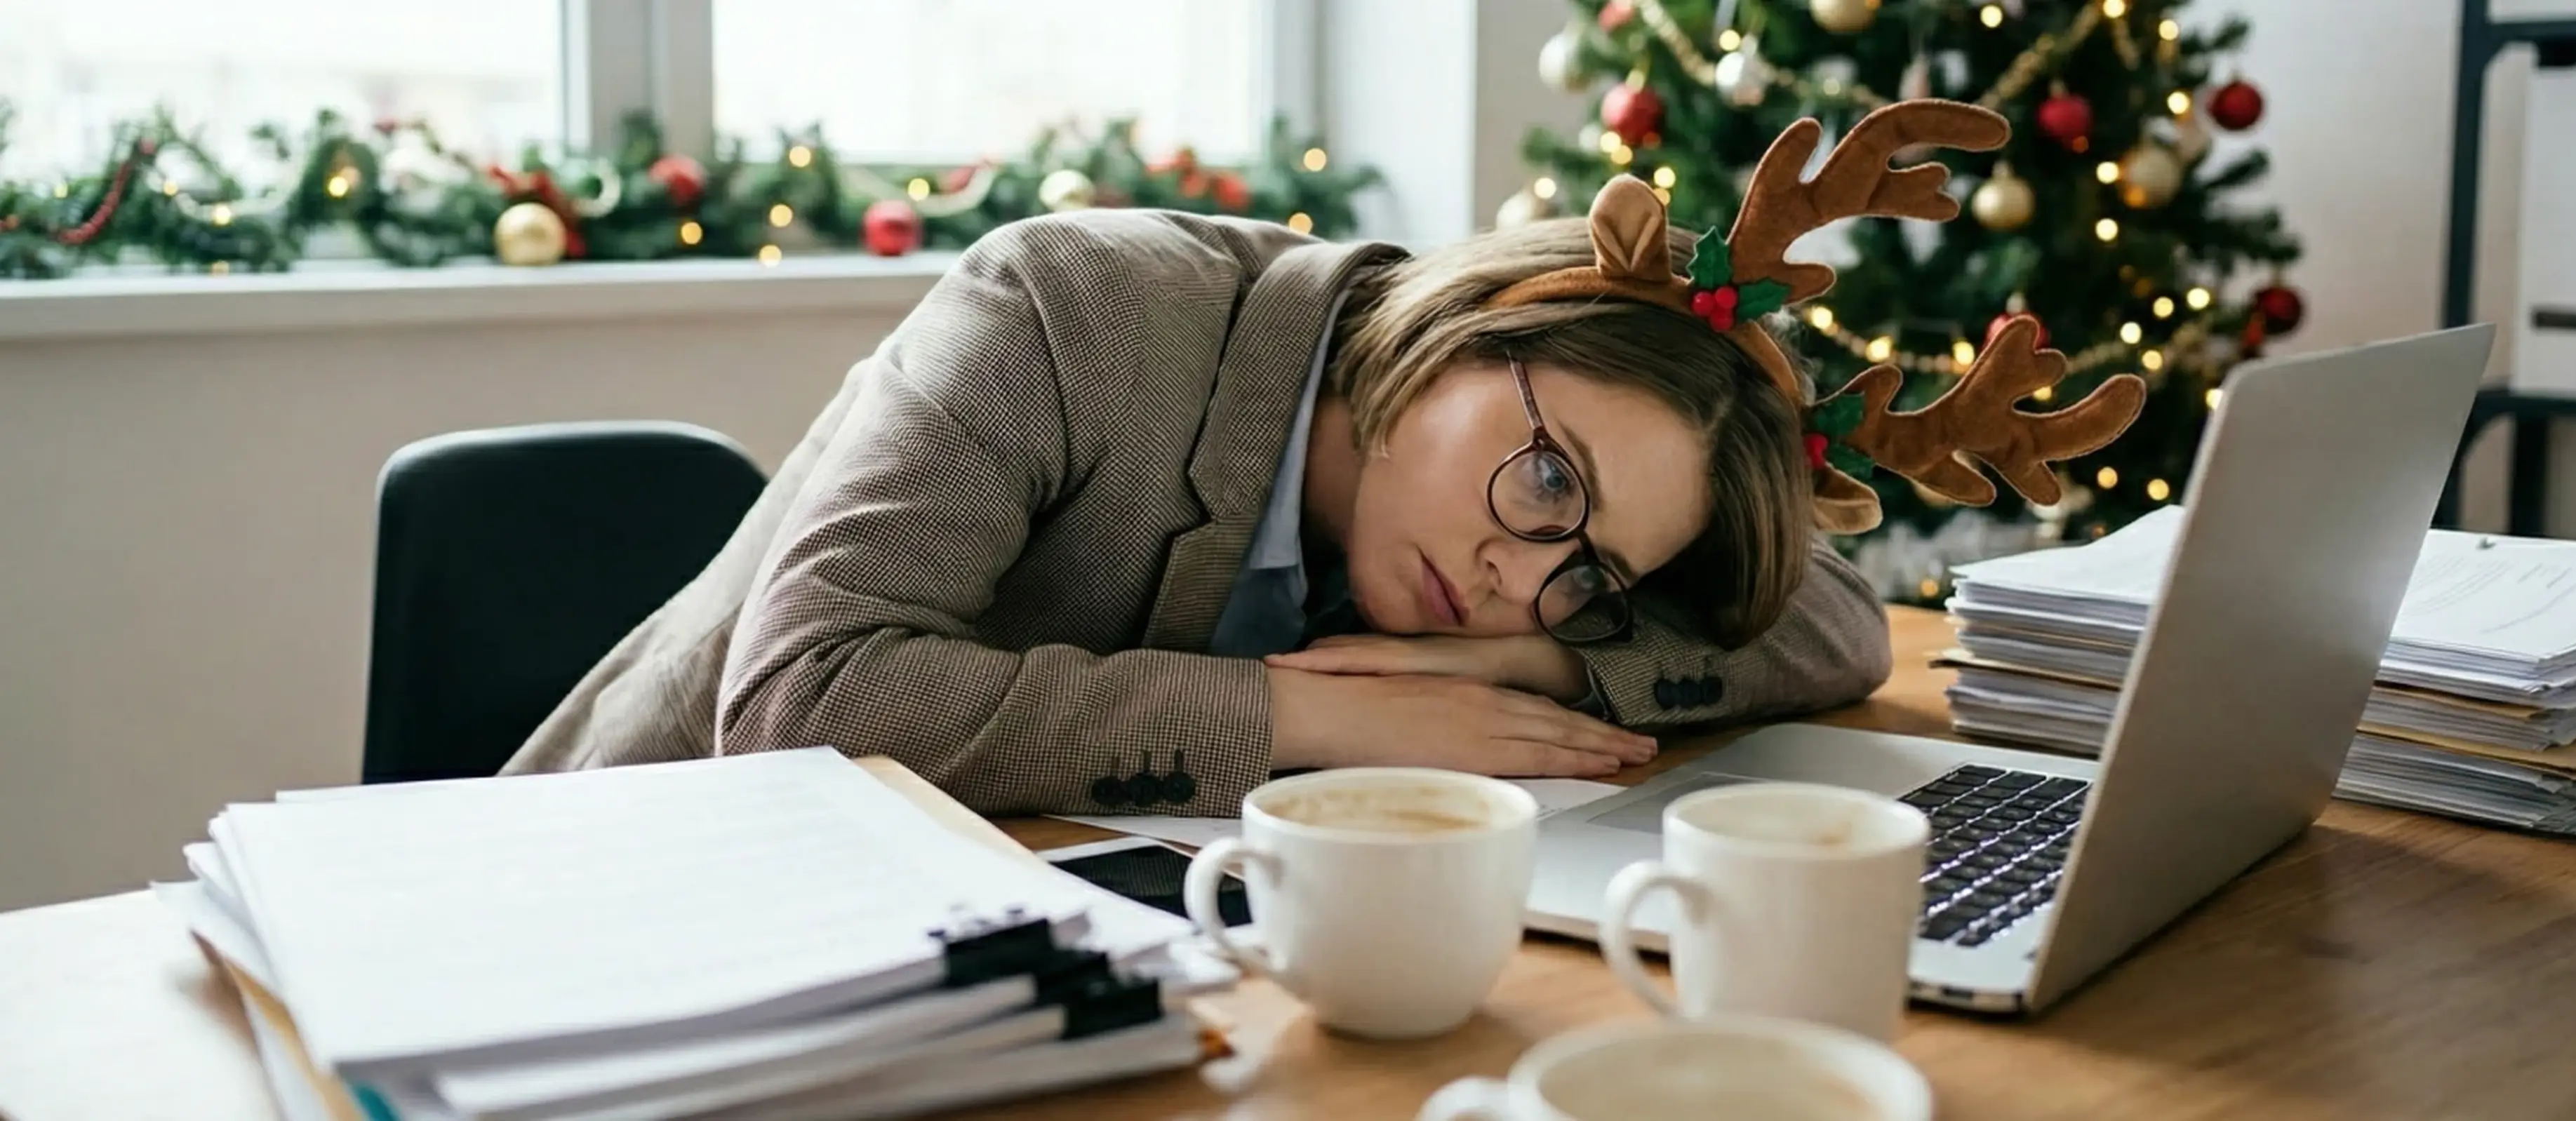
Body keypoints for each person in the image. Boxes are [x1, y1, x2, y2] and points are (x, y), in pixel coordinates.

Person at [496, 106, 2005, 814]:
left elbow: (1833, 626)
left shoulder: (1516, 593)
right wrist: (1295, 712)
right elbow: (800, 705)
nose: (1515, 577)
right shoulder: (1072, 306)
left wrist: (1531, 675)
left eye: (1589, 573)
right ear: (1480, 318)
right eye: (1550, 483)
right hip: (614, 897)